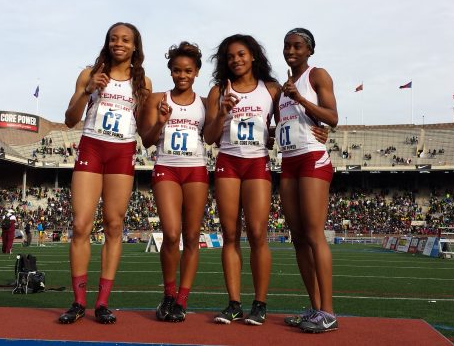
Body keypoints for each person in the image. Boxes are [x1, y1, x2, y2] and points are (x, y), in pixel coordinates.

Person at [59, 22, 151, 325]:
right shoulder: (90, 74)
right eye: (114, 39)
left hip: (122, 152)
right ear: (107, 43)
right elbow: (70, 119)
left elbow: (147, 130)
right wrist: (88, 90)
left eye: (125, 39)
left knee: (114, 225)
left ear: (135, 45)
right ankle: (78, 301)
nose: (119, 43)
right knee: (81, 224)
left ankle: (101, 302)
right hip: (92, 147)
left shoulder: (143, 83)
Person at [205, 34, 279, 326]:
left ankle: (259, 304)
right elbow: (209, 137)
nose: (235, 60)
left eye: (241, 54)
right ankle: (234, 303)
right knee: (230, 233)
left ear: (253, 56)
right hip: (228, 162)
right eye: (230, 56)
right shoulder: (217, 91)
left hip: (257, 163)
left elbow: (287, 121)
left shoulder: (271, 90)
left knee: (258, 233)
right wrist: (222, 112)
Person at [138, 42, 208, 322]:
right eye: (177, 70)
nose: (182, 75)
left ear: (197, 72)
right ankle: (168, 294)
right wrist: (161, 123)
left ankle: (182, 300)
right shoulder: (158, 99)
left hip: (196, 170)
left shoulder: (203, 104)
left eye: (188, 71)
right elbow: (145, 139)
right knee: (170, 233)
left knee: (192, 237)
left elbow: (213, 135)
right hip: (166, 167)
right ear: (170, 72)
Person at [277, 28, 339, 333]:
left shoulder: (317, 75)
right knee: (298, 237)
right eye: (287, 45)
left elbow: (332, 116)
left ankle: (328, 311)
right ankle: (315, 308)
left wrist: (300, 97)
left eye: (297, 45)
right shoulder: (281, 89)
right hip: (288, 161)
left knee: (315, 234)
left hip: (312, 158)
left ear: (309, 50)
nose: (291, 50)